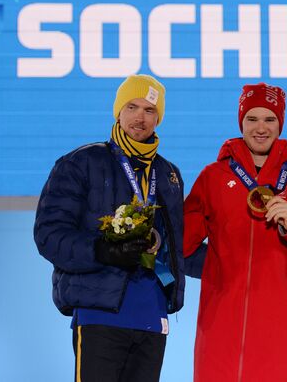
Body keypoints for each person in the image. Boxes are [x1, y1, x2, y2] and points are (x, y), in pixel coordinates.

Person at [34, 74, 185, 382]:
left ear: (159, 118)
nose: (140, 117)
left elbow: (179, 244)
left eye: (149, 110)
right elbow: (49, 234)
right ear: (118, 110)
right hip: (99, 312)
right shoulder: (81, 162)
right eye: (132, 107)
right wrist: (101, 250)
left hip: (152, 316)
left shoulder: (169, 175)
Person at [183, 83, 287, 381]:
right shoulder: (213, 176)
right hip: (220, 326)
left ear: (280, 123)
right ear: (241, 122)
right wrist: (215, 266)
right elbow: (181, 245)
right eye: (252, 119)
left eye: (269, 119)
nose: (260, 128)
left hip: (280, 330)